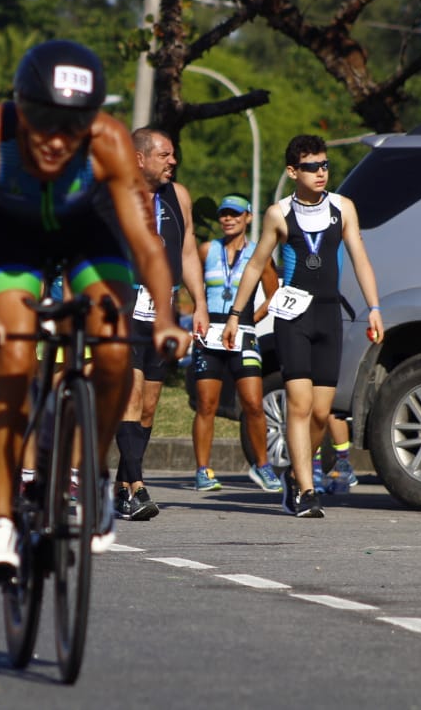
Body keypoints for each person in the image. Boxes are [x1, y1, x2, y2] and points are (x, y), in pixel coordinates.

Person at [0, 39, 189, 580]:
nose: (55, 138)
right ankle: (1, 519)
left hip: (86, 230)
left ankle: (95, 478)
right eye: (43, 120)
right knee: (13, 356)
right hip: (11, 236)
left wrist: (167, 316)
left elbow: (147, 246)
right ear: (19, 107)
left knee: (114, 342)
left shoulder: (110, 142)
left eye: (71, 124)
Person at [223, 134, 383, 518]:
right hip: (293, 316)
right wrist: (235, 314)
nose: (321, 172)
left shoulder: (343, 208)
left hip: (330, 314)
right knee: (299, 403)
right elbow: (257, 264)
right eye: (312, 167)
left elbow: (360, 258)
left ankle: (296, 473)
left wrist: (374, 307)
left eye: (325, 165)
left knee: (320, 412)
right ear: (293, 172)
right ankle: (307, 490)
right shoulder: (279, 213)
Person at [114, 127, 208, 522]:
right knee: (131, 396)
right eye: (164, 155)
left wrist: (200, 304)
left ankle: (122, 486)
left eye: (173, 155)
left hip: (163, 308)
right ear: (139, 158)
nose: (173, 161)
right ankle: (137, 487)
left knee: (149, 407)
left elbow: (187, 251)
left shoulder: (178, 196)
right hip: (121, 304)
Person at [189, 194, 284, 494]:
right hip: (209, 333)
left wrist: (251, 319)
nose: (228, 219)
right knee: (206, 404)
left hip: (242, 332)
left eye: (235, 214)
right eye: (223, 215)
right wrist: (198, 307)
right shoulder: (208, 250)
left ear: (248, 218)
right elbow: (191, 278)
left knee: (254, 404)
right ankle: (203, 470)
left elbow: (273, 294)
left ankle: (262, 466)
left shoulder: (259, 253)